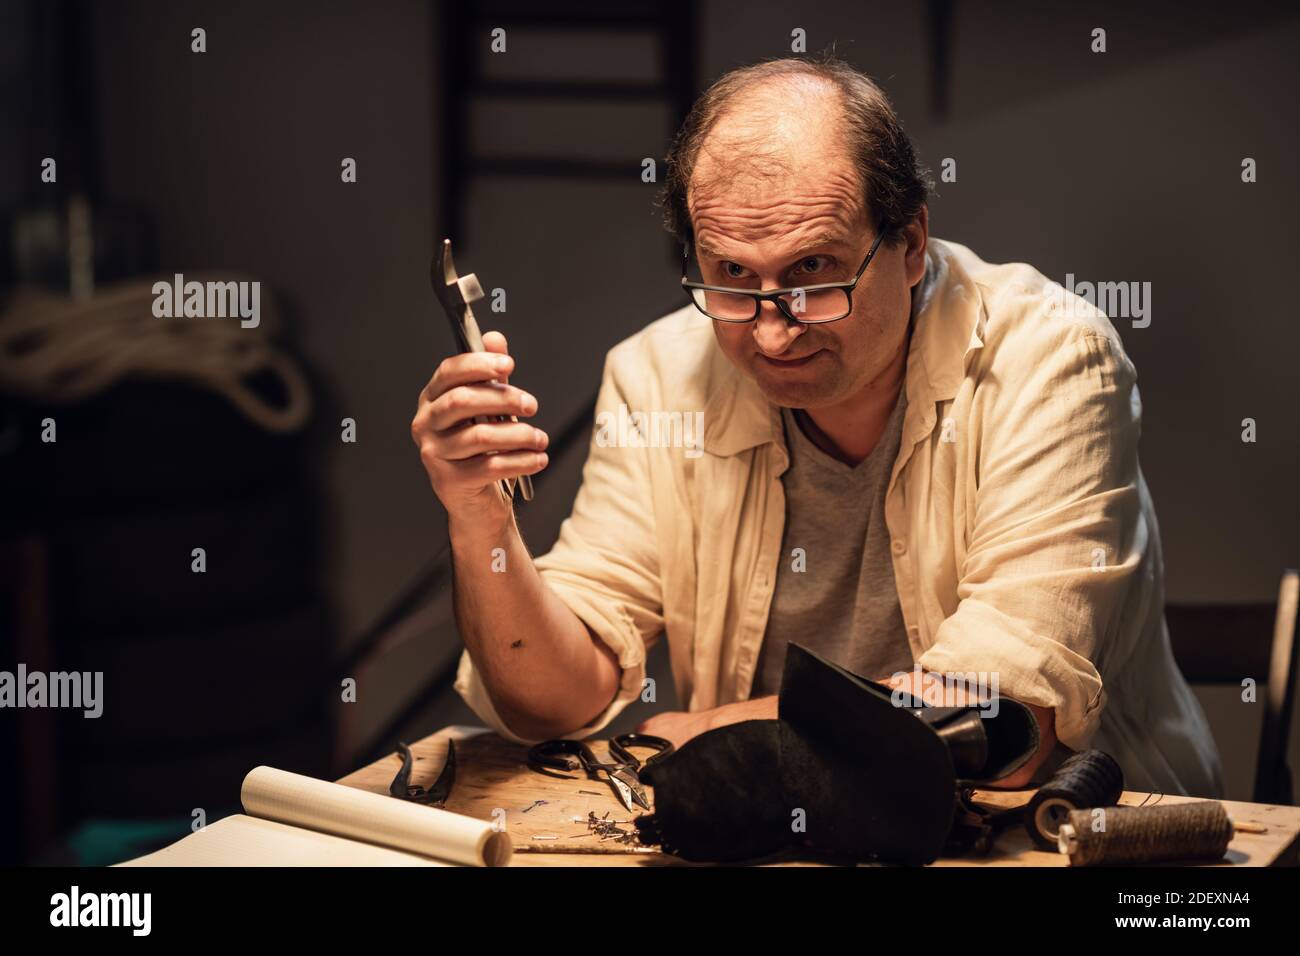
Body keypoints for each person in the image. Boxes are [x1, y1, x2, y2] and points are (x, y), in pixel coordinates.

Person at [410, 55, 1223, 797]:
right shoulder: (657, 375)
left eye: (812, 273)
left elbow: (1000, 723)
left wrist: (715, 726)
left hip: (1066, 840)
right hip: (784, 830)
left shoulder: (1053, 357)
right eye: (732, 276)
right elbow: (554, 701)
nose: (771, 332)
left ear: (909, 242)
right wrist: (478, 516)